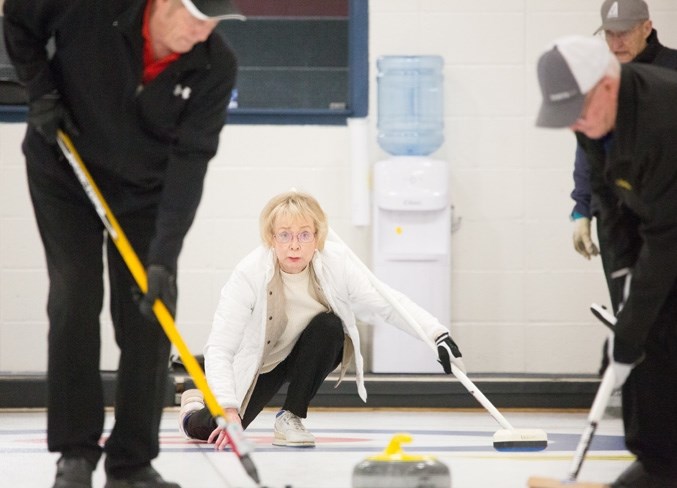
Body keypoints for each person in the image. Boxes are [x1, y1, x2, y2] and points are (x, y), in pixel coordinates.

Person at [2, 0, 240, 487]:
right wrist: (40, 90)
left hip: (144, 194)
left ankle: (131, 464)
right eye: (196, 19)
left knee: (151, 310)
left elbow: (190, 164)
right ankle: (76, 454)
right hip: (66, 168)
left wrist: (163, 259)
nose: (201, 34)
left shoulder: (215, 64)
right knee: (74, 297)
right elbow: (17, 18)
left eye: (212, 24)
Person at [178, 190, 465, 449]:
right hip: (261, 363)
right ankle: (193, 404)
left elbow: (387, 302)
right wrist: (228, 410)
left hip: (307, 350)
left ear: (317, 237)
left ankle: (290, 417)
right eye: (284, 235)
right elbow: (220, 347)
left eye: (304, 234)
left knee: (330, 326)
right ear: (271, 238)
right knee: (213, 429)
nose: (294, 246)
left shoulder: (337, 262)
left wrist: (436, 334)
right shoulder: (249, 273)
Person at [536, 35, 677, 487]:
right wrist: (622, 284)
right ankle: (659, 462)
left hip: (671, 222)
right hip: (661, 221)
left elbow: (666, 238)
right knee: (640, 335)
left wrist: (632, 323)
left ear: (608, 87)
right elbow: (610, 204)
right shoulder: (593, 120)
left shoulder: (664, 118)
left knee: (648, 326)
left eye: (578, 109)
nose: (574, 121)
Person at [569, 0, 677, 315]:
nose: (616, 43)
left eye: (625, 33)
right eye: (610, 34)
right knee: (627, 307)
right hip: (616, 214)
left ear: (646, 27)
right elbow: (587, 150)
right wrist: (582, 210)